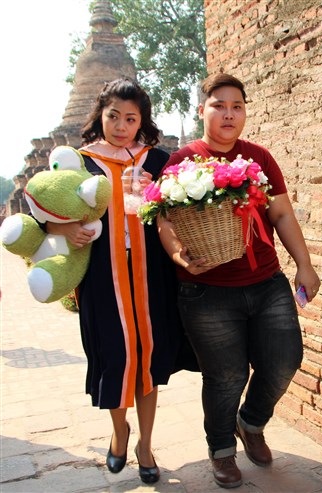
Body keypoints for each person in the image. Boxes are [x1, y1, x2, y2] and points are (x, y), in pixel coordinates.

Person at [158, 73, 321, 489]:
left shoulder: (259, 158)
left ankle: (251, 422)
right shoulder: (182, 161)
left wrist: (304, 264)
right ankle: (221, 451)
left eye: (237, 107)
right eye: (219, 106)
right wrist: (178, 254)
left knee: (285, 360)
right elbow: (163, 220)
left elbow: (281, 213)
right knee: (226, 376)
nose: (228, 114)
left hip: (266, 281)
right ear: (202, 110)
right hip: (206, 292)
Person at [46, 77, 193, 484]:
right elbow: (46, 217)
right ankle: (119, 431)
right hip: (102, 279)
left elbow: (179, 212)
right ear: (101, 116)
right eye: (114, 116)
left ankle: (145, 444)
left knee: (147, 358)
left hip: (152, 277)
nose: (121, 126)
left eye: (131, 118)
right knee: (114, 357)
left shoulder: (157, 160)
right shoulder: (78, 163)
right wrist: (66, 230)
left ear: (141, 121)